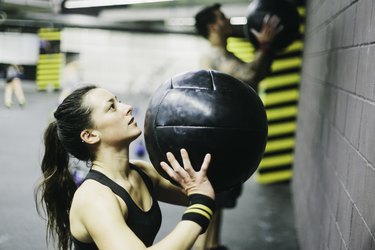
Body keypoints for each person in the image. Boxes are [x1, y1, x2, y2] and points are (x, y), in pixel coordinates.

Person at [34, 85, 216, 250]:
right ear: (90, 135)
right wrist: (201, 207)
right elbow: (201, 200)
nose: (127, 107)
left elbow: (201, 192)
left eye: (118, 101)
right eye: (112, 107)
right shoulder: (94, 198)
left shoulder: (142, 172)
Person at [194, 3, 282, 250]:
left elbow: (257, 73)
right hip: (214, 138)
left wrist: (265, 48)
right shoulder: (213, 56)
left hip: (224, 136)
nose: (228, 20)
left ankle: (213, 245)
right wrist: (263, 46)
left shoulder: (226, 54)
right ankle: (205, 247)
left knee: (219, 196)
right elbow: (248, 77)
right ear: (213, 26)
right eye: (222, 17)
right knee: (211, 196)